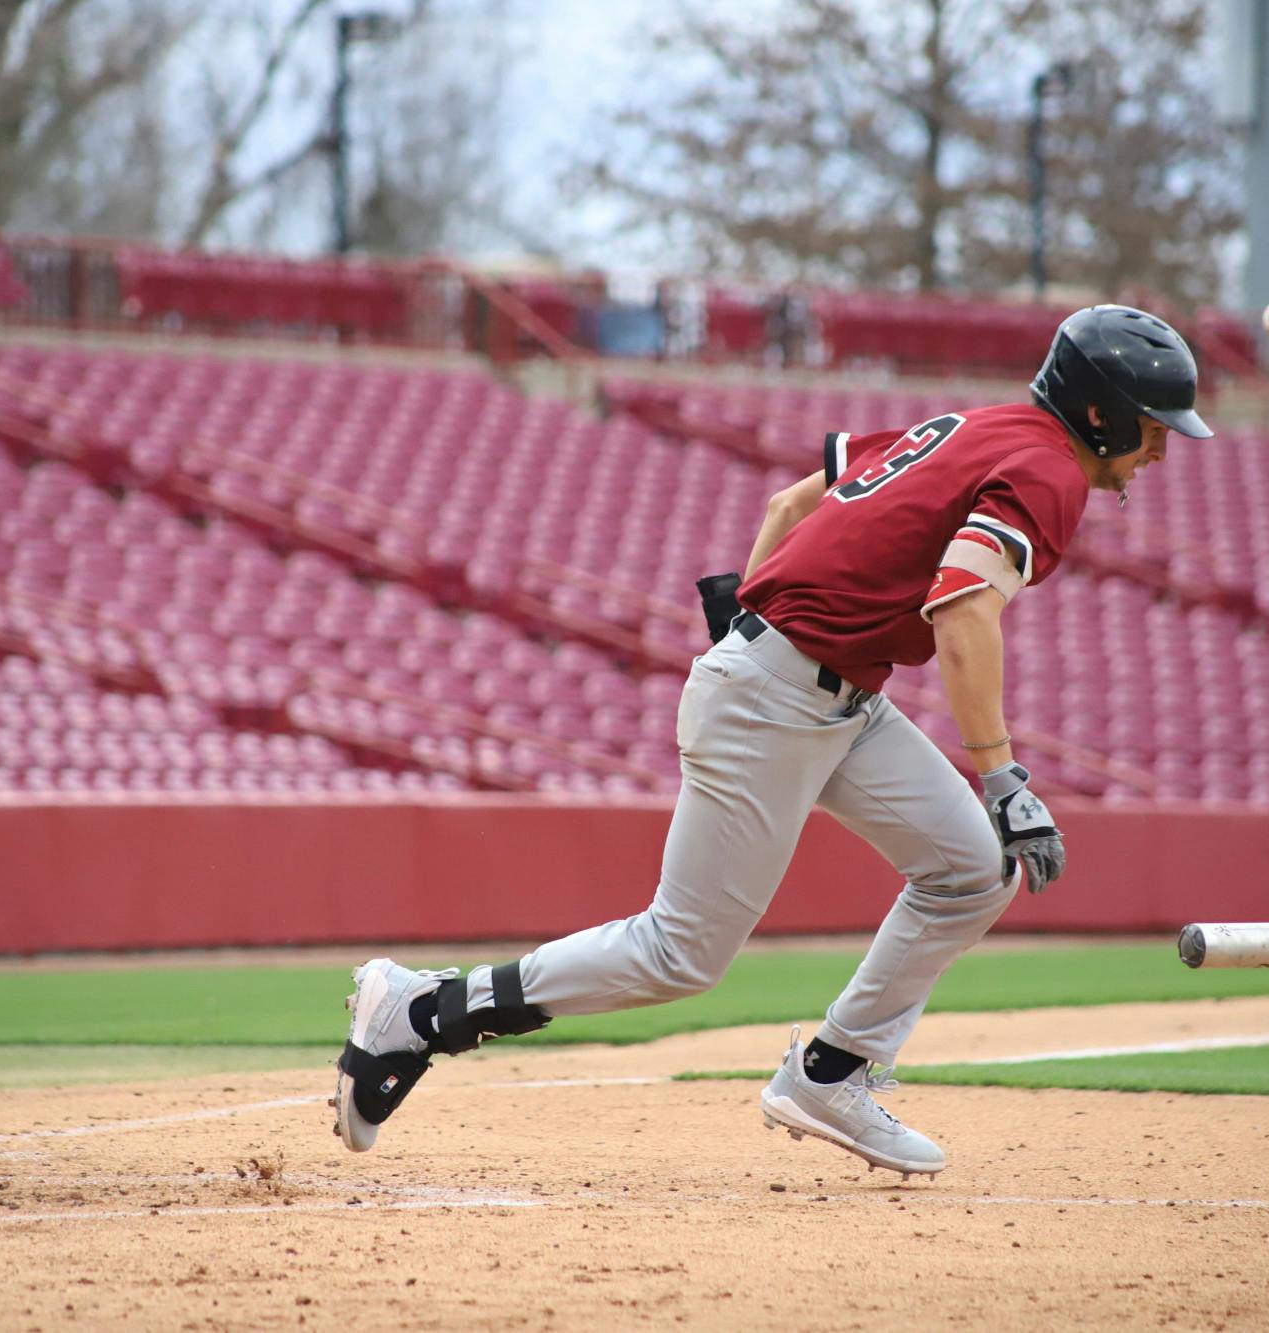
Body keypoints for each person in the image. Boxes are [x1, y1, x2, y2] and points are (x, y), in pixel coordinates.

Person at [332, 305, 1214, 1176]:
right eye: (1151, 426)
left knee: (974, 868)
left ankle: (830, 1073)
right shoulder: (1048, 467)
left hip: (836, 696)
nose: (1162, 447)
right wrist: (1003, 776)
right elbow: (964, 611)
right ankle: (422, 1010)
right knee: (678, 952)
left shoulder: (976, 426)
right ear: (1097, 412)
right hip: (776, 698)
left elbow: (794, 498)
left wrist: (754, 598)